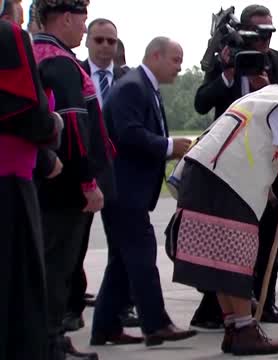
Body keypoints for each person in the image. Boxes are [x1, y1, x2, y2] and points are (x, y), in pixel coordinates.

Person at [170, 57, 278, 356]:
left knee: (217, 257)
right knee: (236, 255)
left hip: (199, 173)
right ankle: (245, 329)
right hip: (225, 182)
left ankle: (234, 327)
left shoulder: (259, 96)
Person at [192, 4, 278, 329]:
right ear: (243, 33)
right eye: (258, 34)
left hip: (277, 164)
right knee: (243, 239)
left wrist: (269, 87)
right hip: (237, 172)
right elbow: (201, 103)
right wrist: (227, 74)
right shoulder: (226, 62)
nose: (265, 41)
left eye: (270, 33)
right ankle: (238, 308)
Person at [90, 37, 197, 347]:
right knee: (142, 255)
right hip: (124, 190)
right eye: (176, 60)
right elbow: (128, 134)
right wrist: (169, 146)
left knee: (123, 261)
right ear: (155, 56)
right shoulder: (134, 87)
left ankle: (105, 327)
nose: (179, 67)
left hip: (126, 190)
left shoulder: (142, 86)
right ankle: (156, 323)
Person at [32, 0, 115, 358]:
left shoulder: (35, 53)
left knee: (47, 260)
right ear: (66, 17)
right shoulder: (62, 62)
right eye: (81, 19)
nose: (83, 28)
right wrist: (87, 182)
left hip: (42, 178)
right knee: (59, 264)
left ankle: (48, 336)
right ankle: (51, 340)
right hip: (66, 185)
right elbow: (75, 127)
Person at [64, 17, 137, 333]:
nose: (106, 46)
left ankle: (123, 306)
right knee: (75, 245)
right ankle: (71, 307)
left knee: (123, 246)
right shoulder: (72, 73)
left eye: (111, 41)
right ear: (88, 41)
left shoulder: (128, 79)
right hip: (85, 173)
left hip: (120, 174)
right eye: (99, 40)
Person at [0, 9, 63, 360]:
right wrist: (53, 128)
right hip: (9, 184)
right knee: (17, 296)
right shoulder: (9, 37)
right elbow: (28, 116)